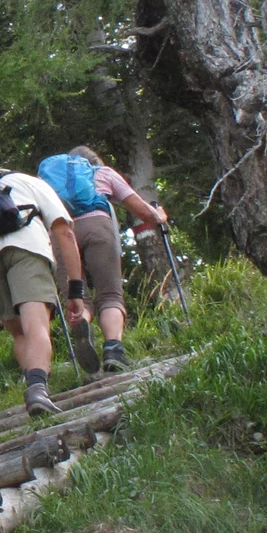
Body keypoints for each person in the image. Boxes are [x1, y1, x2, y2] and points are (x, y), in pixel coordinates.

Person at [0, 170, 89, 417]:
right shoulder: (26, 181)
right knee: (35, 325)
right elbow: (64, 231)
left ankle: (35, 384)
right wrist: (75, 288)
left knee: (19, 333)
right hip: (26, 248)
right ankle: (38, 389)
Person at [60, 145, 169, 373]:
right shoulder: (104, 173)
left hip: (62, 234)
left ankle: (82, 325)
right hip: (97, 227)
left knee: (79, 298)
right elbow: (142, 210)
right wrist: (158, 216)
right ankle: (113, 350)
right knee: (109, 294)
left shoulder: (53, 182)